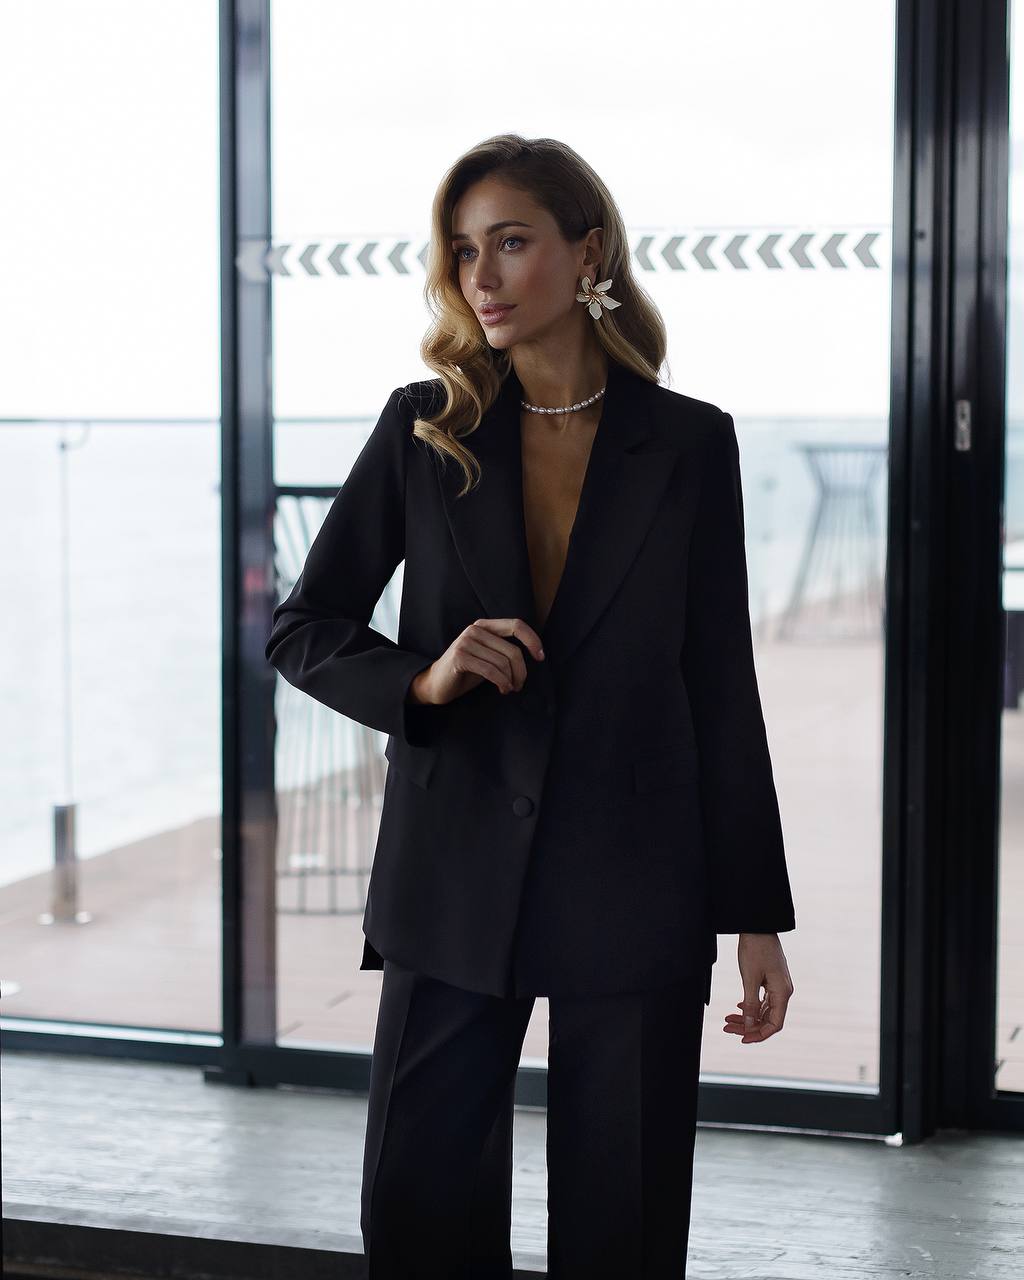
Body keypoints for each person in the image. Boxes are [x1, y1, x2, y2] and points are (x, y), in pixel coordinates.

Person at [265, 133, 797, 1279]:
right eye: (463, 252)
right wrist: (425, 675)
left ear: (585, 249)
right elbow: (302, 626)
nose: (483, 277)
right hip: (451, 875)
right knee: (419, 1211)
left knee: (623, 1224)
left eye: (511, 242)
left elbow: (720, 684)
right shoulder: (426, 426)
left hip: (635, 874)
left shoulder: (691, 443)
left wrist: (754, 912)